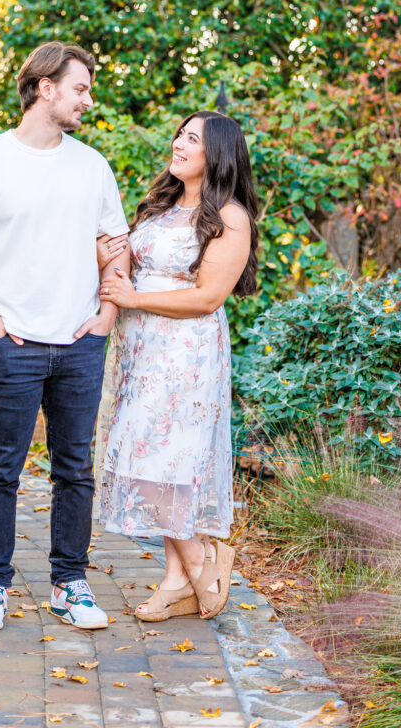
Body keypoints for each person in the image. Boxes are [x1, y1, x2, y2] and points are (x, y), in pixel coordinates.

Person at [0, 42, 130, 632]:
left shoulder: (91, 165)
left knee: (75, 468)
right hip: (10, 343)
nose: (86, 100)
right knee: (1, 468)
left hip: (80, 343)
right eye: (80, 88)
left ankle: (71, 584)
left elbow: (112, 245)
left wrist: (106, 317)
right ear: (46, 88)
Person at [93, 111, 258, 622]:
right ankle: (179, 579)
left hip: (186, 356)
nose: (179, 143)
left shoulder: (229, 217)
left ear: (218, 155)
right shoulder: (162, 207)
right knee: (154, 460)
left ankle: (204, 563)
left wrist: (135, 297)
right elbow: (128, 267)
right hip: (141, 351)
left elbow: (209, 297)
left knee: (166, 462)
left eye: (193, 139)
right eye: (180, 134)